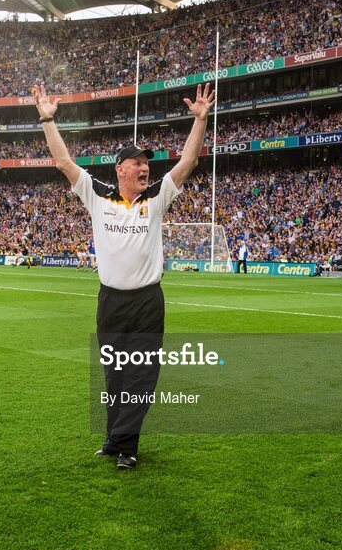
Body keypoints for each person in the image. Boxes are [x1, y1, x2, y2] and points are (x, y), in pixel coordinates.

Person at [33, 81, 215, 470]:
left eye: (146, 163)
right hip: (110, 300)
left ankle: (127, 446)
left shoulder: (157, 197)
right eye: (136, 162)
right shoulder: (97, 194)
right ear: (120, 169)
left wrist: (200, 120)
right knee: (114, 375)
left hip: (147, 302)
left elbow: (188, 162)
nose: (145, 167)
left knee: (141, 376)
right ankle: (114, 441)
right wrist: (48, 120)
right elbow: (65, 163)